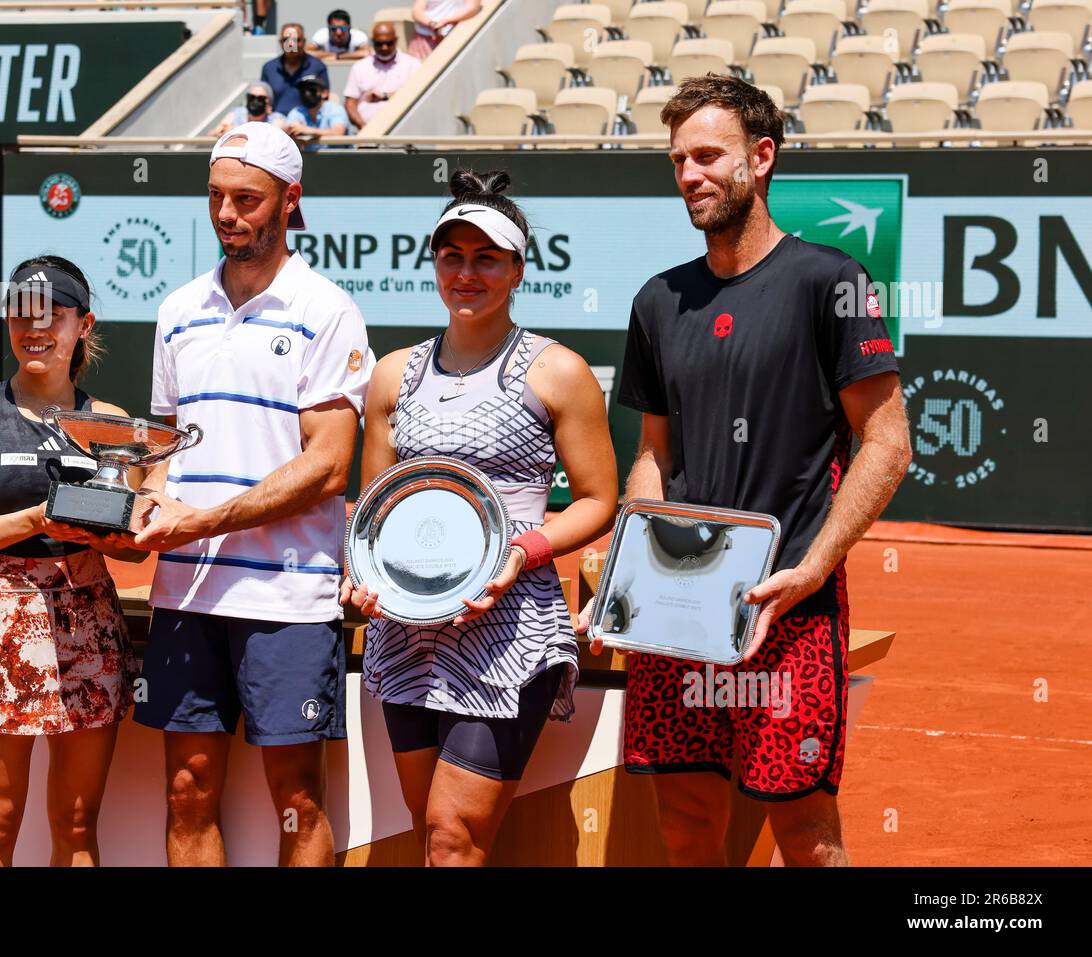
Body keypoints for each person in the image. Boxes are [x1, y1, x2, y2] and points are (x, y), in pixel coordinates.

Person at [577, 75, 912, 866]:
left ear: (760, 158)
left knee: (805, 831)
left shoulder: (829, 281)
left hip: (788, 613)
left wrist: (811, 567)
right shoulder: (658, 300)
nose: (689, 174)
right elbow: (654, 455)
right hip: (674, 611)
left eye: (707, 155)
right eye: (677, 161)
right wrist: (630, 577)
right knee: (686, 820)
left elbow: (887, 441)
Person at [343, 169, 618, 866]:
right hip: (406, 632)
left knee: (452, 836)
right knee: (430, 831)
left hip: (508, 632)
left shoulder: (558, 371)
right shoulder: (391, 374)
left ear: (518, 267)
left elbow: (597, 499)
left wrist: (520, 552)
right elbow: (372, 510)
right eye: (452, 256)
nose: (466, 273)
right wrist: (360, 574)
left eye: (486, 258)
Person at [129, 122, 373, 867]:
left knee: (297, 800)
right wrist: (145, 498)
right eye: (216, 198)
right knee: (186, 789)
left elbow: (329, 467)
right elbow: (161, 448)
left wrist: (206, 518)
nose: (229, 214)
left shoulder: (327, 309)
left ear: (289, 200)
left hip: (288, 603)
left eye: (247, 198)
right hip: (187, 595)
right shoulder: (177, 310)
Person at [0, 256, 147, 866]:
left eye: (53, 314)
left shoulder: (111, 424)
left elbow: (133, 545)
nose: (34, 328)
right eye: (21, 313)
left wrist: (124, 531)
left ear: (83, 325)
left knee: (77, 826)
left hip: (89, 624)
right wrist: (34, 521)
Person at [344, 23, 421, 130]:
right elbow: (350, 103)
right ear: (373, 42)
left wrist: (386, 96)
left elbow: (418, 96)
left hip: (403, 132)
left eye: (388, 43)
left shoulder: (412, 65)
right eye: (379, 44)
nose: (384, 47)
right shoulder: (360, 67)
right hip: (367, 133)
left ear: (396, 41)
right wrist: (362, 126)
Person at [261, 23, 330, 115]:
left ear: (304, 42)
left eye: (296, 40)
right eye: (286, 40)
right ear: (280, 43)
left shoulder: (318, 67)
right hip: (277, 124)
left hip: (308, 125)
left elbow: (324, 100)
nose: (291, 44)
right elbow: (263, 100)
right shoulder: (269, 68)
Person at [285, 74, 349, 150]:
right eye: (303, 91)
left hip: (339, 158)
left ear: (324, 93)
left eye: (312, 89)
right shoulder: (296, 112)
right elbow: (289, 131)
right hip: (310, 160)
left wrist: (307, 130)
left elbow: (338, 132)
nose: (307, 93)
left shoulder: (335, 109)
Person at [409, 0, 481, 59]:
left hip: (455, 37)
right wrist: (433, 25)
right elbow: (416, 11)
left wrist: (447, 21)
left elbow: (473, 7)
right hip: (424, 40)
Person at [211, 81, 287, 137]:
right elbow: (212, 134)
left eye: (261, 98)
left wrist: (235, 132)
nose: (255, 101)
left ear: (268, 102)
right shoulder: (237, 113)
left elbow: (275, 136)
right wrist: (220, 131)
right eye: (252, 97)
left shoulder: (275, 118)